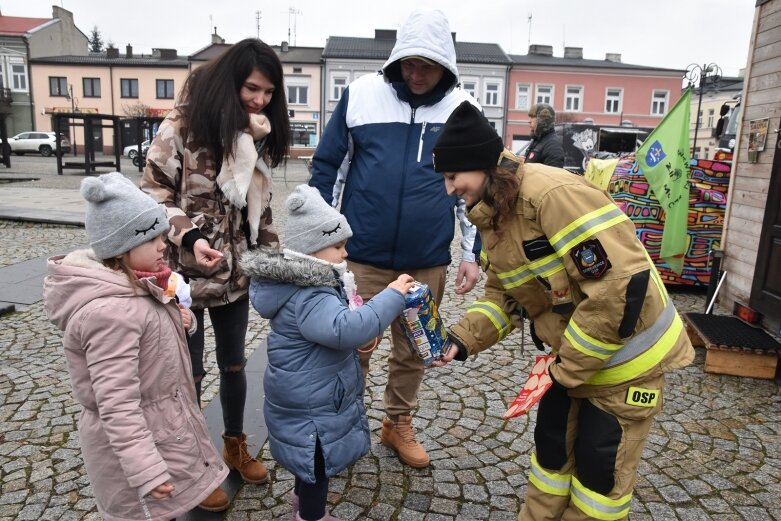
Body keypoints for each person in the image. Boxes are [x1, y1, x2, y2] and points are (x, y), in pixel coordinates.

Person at [431, 101, 695, 521]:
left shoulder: (552, 196)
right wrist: (461, 340)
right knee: (551, 462)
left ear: (482, 165)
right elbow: (505, 296)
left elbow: (616, 289)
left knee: (598, 483)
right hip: (569, 362)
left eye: (452, 176)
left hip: (624, 365)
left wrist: (564, 371)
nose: (448, 189)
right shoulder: (498, 211)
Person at [309, 8, 480, 469]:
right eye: (408, 62)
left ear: (446, 62)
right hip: (360, 255)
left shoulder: (464, 109)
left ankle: (397, 422)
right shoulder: (362, 95)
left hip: (426, 258)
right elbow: (328, 166)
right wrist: (320, 238)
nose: (416, 73)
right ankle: (343, 424)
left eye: (427, 63)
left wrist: (471, 253)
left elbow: (477, 186)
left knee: (415, 348)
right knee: (351, 347)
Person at [141, 38, 290, 484]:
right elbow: (153, 191)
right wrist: (188, 236)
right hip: (181, 277)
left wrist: (274, 258)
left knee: (234, 366)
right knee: (188, 372)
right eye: (251, 88)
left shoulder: (255, 133)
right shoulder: (184, 123)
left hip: (234, 278)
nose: (260, 100)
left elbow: (257, 205)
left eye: (268, 92)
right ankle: (191, 465)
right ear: (230, 82)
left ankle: (234, 446)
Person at [43, 172, 231, 520]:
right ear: (122, 247)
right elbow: (116, 402)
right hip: (138, 449)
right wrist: (145, 468)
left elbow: (150, 343)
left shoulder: (139, 286)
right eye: (154, 239)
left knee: (166, 510)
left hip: (161, 426)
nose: (164, 246)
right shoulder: (112, 313)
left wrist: (181, 321)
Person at [240, 185, 415, 521]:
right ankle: (310, 516)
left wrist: (360, 333)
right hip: (312, 402)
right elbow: (344, 329)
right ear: (313, 249)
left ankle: (301, 502)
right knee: (316, 462)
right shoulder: (312, 294)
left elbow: (342, 327)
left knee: (308, 458)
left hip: (304, 393)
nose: (345, 254)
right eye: (338, 246)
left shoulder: (310, 283)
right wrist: (391, 297)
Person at [521, 102, 564, 167]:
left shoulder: (552, 144)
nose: (529, 121)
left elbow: (553, 175)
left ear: (542, 120)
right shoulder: (537, 140)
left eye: (532, 117)